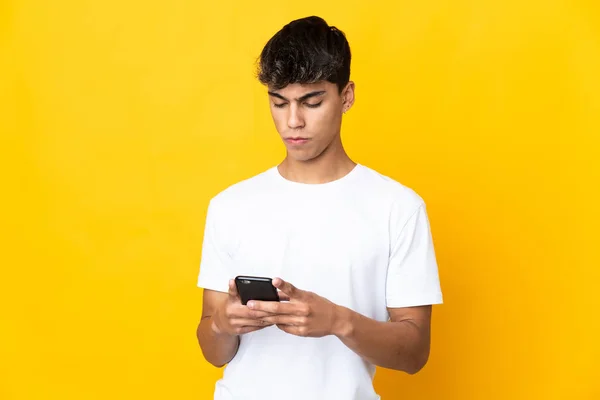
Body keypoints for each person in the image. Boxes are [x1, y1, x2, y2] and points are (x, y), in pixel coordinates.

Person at [195, 15, 443, 400]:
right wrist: (223, 325)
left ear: (346, 96)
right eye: (279, 103)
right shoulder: (230, 206)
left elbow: (414, 352)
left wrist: (337, 321)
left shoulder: (398, 208)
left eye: (312, 102)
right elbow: (213, 353)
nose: (293, 121)